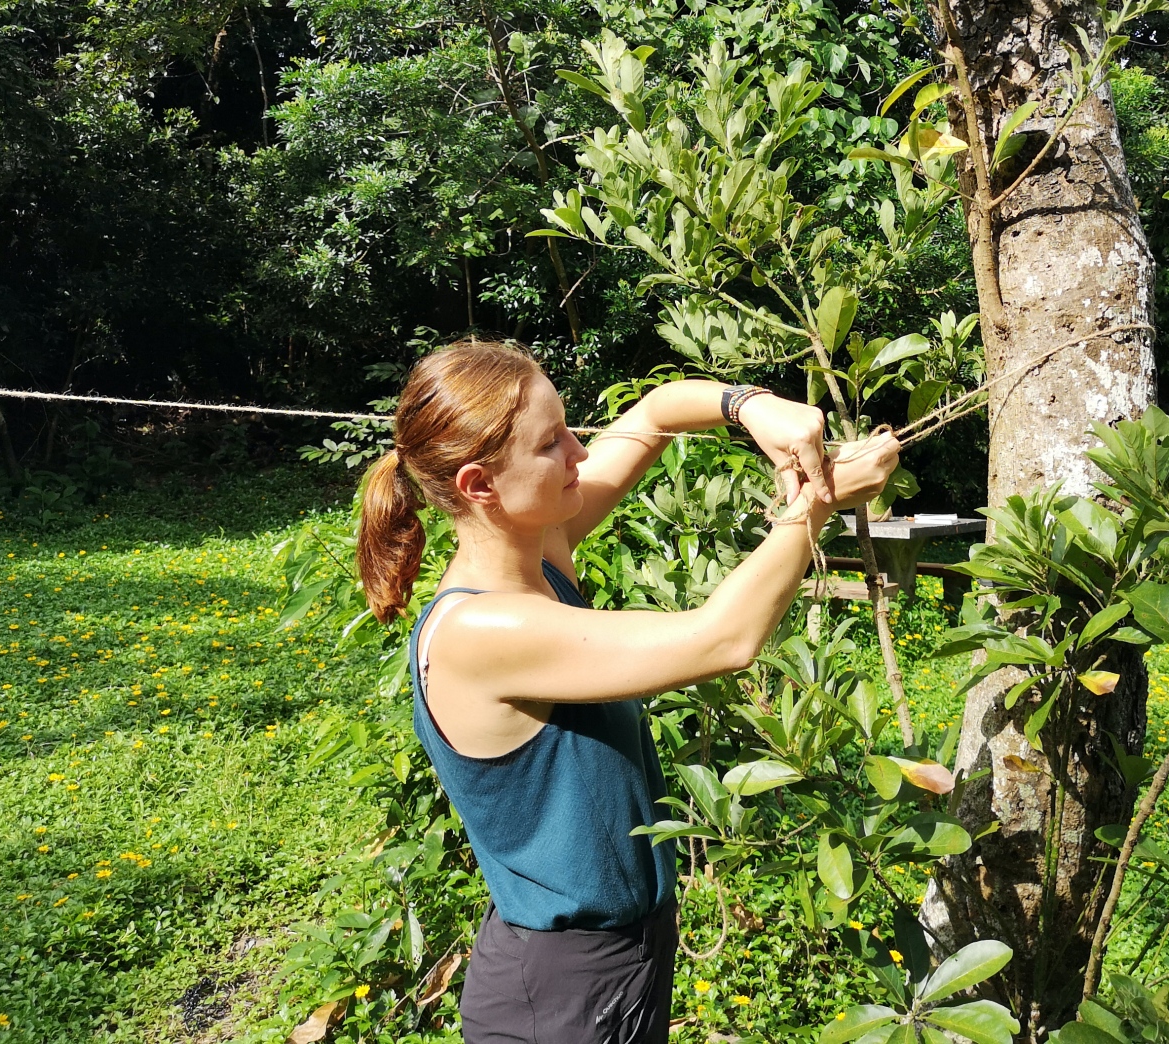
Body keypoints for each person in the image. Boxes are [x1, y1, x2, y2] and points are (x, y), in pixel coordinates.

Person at [355, 339, 900, 1044]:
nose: (580, 451)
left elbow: (657, 411)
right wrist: (814, 505)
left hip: (612, 964)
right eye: (552, 443)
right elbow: (722, 640)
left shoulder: (537, 549)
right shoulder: (482, 630)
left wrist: (754, 408)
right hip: (562, 993)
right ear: (478, 486)